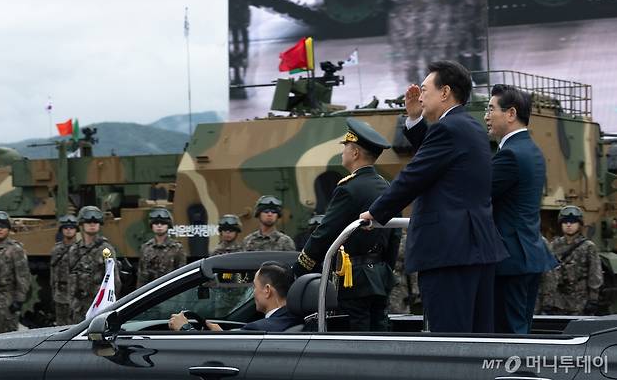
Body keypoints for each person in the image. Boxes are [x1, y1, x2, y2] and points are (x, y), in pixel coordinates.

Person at [360, 60, 508, 333]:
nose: (420, 95)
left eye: (425, 89)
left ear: (445, 92)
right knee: (478, 334)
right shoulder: (468, 126)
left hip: (450, 252)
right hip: (475, 248)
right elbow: (436, 157)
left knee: (450, 338)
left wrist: (375, 213)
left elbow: (415, 175)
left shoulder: (449, 129)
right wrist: (415, 118)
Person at [293, 118, 399, 331]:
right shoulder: (387, 187)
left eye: (345, 147)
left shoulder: (348, 189)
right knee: (380, 337)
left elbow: (326, 232)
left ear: (355, 153)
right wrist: (384, 268)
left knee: (355, 341)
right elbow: (394, 234)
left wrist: (301, 265)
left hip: (354, 281)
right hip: (379, 277)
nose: (342, 152)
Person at [484, 84, 558, 334]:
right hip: (526, 254)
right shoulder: (532, 150)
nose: (486, 116)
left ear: (511, 113)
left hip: (509, 261)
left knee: (507, 338)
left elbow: (478, 194)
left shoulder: (510, 154)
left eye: (491, 108)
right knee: (519, 330)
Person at [169, 261, 301, 332]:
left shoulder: (259, 330)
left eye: (254, 286)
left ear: (267, 290)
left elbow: (222, 355)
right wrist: (222, 335)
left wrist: (185, 328)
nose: (253, 292)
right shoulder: (299, 320)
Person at [541, 206, 603, 315]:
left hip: (580, 303)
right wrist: (547, 301)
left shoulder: (588, 247)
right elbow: (548, 275)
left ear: (579, 224)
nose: (568, 225)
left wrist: (593, 300)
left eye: (573, 222)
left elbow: (595, 275)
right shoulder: (554, 245)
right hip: (558, 302)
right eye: (565, 222)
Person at [68, 206, 121, 323]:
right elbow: (71, 280)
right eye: (88, 221)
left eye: (95, 222)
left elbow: (114, 281)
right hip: (79, 308)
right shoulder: (74, 250)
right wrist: (72, 304)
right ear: (81, 224)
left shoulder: (106, 249)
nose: (92, 224)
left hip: (98, 307)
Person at [137, 207, 186, 288]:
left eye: (163, 223)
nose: (159, 226)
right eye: (156, 223)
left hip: (170, 291)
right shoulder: (145, 248)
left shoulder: (177, 248)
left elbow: (181, 275)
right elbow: (141, 276)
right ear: (152, 226)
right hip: (149, 291)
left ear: (168, 226)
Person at [50, 214, 79, 325]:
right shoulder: (56, 250)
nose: (68, 230)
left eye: (71, 228)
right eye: (65, 228)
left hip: (76, 295)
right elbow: (53, 273)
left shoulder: (80, 249)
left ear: (76, 230)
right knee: (61, 325)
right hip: (60, 294)